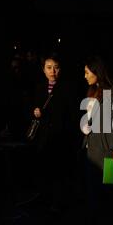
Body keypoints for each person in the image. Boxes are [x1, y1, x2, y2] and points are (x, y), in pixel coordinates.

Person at [31, 54, 78, 214]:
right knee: (46, 170)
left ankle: (58, 203)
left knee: (60, 172)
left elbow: (72, 114)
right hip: (44, 138)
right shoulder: (38, 88)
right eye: (49, 67)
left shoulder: (67, 88)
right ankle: (47, 200)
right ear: (43, 70)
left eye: (56, 67)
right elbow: (32, 108)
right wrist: (35, 111)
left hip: (61, 137)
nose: (53, 71)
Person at [81, 55, 113, 224]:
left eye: (87, 72)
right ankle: (98, 221)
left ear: (96, 72)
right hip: (91, 145)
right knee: (94, 186)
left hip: (105, 146)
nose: (85, 76)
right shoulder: (92, 90)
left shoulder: (112, 90)